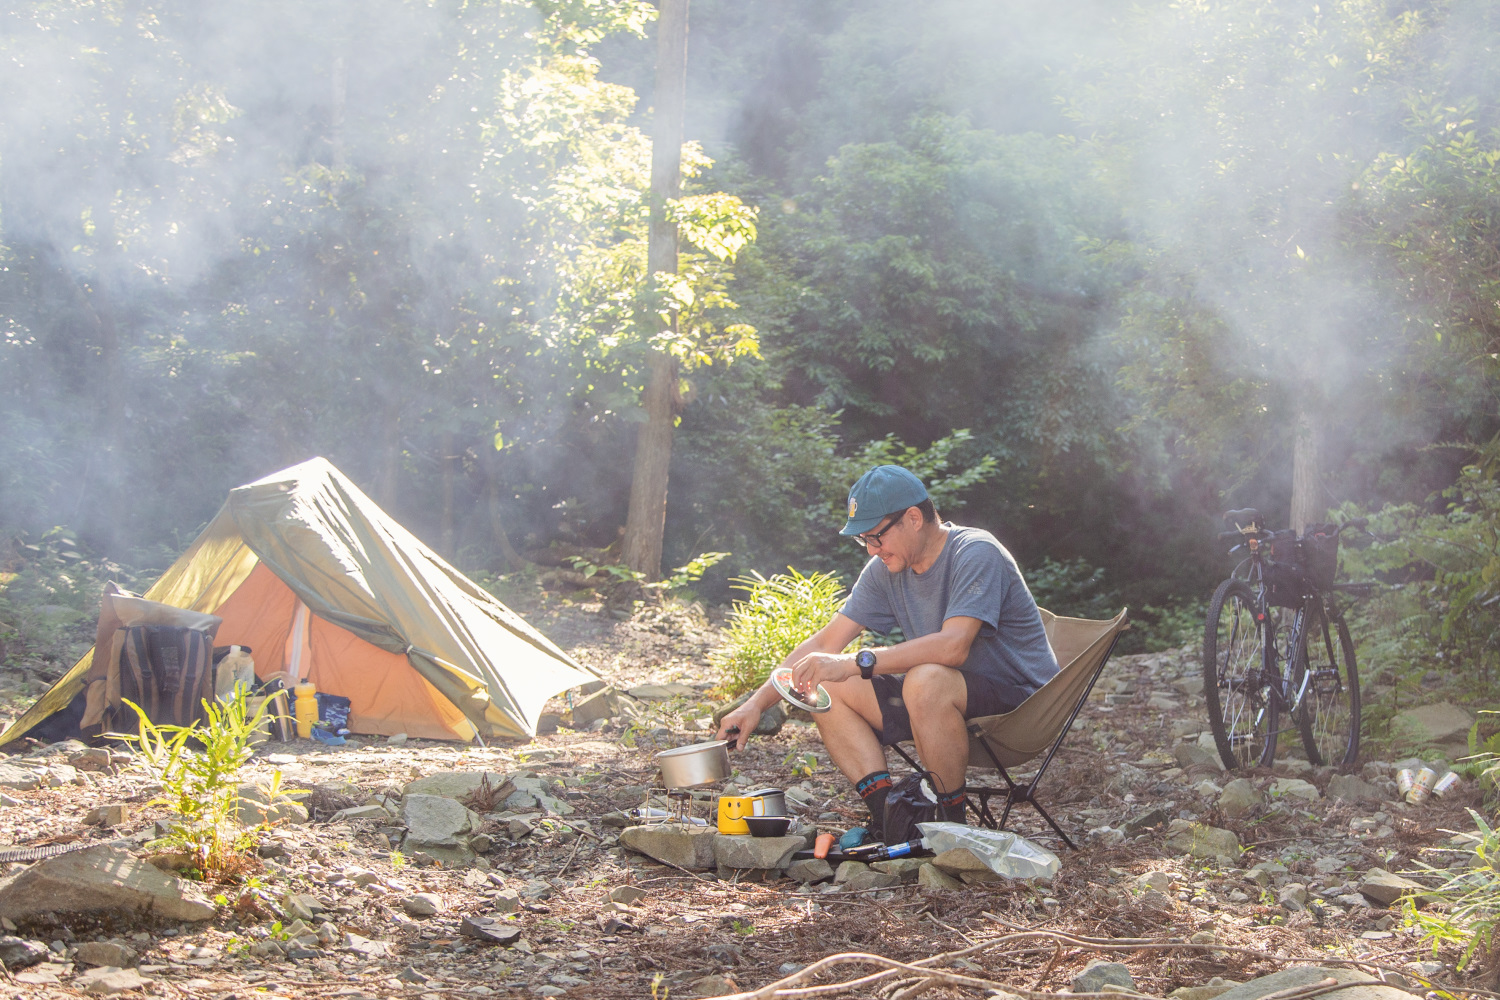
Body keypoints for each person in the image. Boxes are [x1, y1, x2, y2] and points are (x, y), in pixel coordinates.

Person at [715, 465, 1058, 839]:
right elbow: (824, 643)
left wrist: (854, 662)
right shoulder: (885, 569)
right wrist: (757, 703)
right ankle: (893, 821)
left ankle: (952, 831)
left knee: (923, 678)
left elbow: (953, 646)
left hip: (1020, 706)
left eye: (876, 537)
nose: (872, 550)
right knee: (829, 685)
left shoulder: (976, 552)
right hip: (946, 698)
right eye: (864, 540)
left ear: (913, 518)